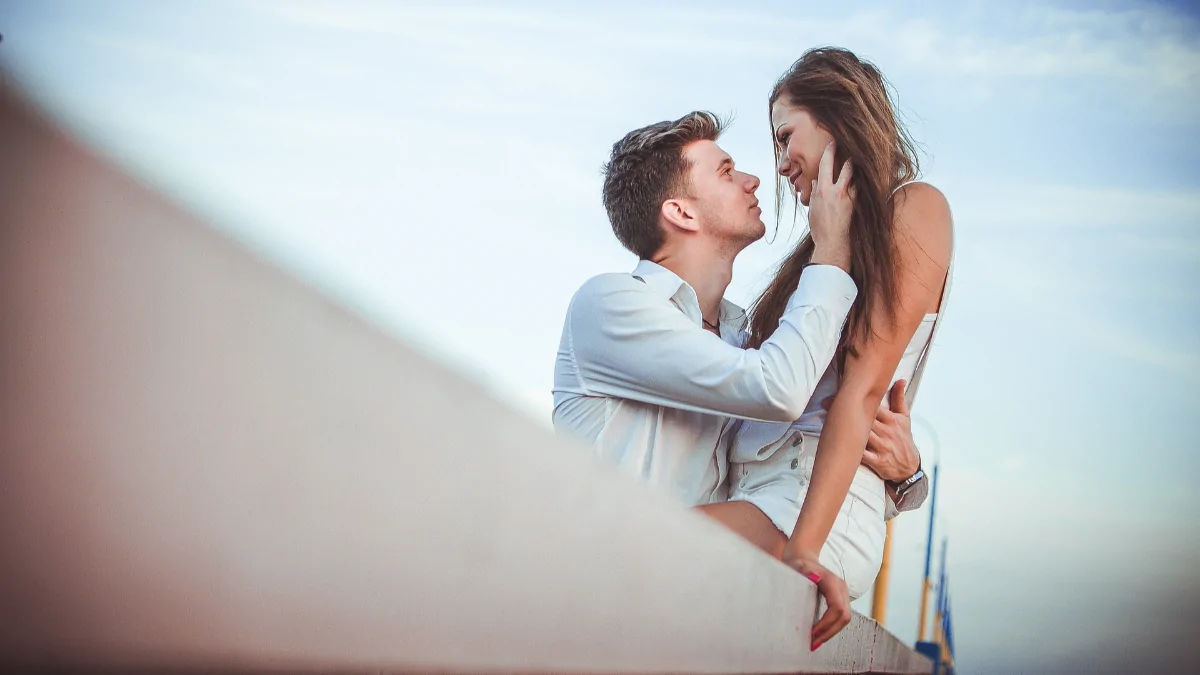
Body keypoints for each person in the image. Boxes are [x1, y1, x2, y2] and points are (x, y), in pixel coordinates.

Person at [551, 109, 923, 640]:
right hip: (596, 612)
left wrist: (905, 473)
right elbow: (778, 389)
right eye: (726, 172)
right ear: (680, 211)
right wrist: (833, 251)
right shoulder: (611, 305)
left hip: (689, 614)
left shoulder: (741, 342)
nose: (754, 180)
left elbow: (802, 462)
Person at [714, 47, 954, 650]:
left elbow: (863, 390)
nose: (779, 161)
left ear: (837, 116)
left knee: (629, 547)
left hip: (811, 510)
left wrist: (805, 551)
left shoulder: (916, 208)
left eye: (785, 135)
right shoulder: (825, 248)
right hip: (765, 494)